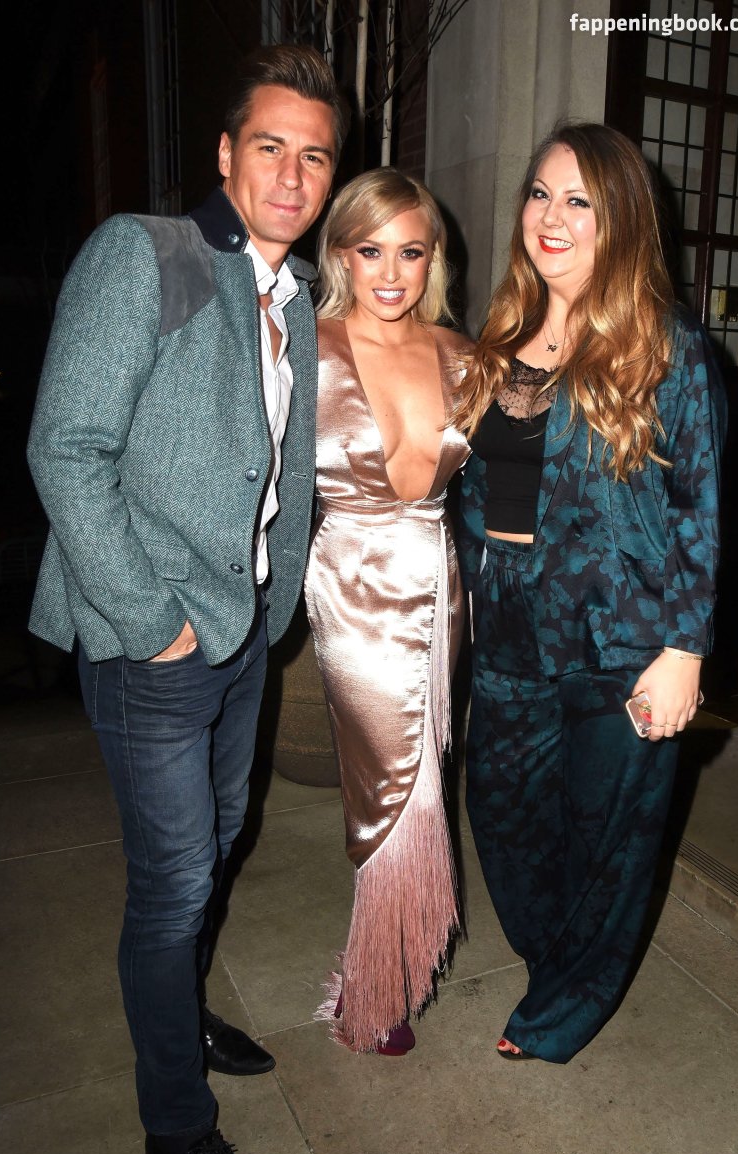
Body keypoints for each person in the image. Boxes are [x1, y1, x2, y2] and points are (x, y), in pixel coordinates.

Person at [26, 46, 347, 1154]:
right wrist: (152, 622)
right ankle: (177, 1128)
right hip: (152, 638)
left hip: (244, 631)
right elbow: (66, 449)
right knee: (171, 887)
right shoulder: (145, 255)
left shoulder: (295, 296)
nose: (292, 175)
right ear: (224, 153)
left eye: (314, 155)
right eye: (269, 146)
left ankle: (181, 1009)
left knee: (216, 845)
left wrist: (273, 604)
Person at [456, 123, 726, 1065]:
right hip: (508, 630)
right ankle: (557, 963)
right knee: (502, 816)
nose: (551, 215)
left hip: (623, 636)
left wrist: (684, 649)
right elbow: (472, 496)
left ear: (620, 221)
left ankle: (558, 1012)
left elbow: (698, 507)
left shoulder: (669, 348)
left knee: (610, 840)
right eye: (539, 193)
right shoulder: (498, 342)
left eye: (578, 200)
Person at [304, 169, 472, 1054]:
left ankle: (390, 971)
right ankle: (371, 991)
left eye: (410, 252)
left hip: (438, 586)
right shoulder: (303, 346)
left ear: (432, 259)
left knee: (428, 775)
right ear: (340, 255)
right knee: (388, 787)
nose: (391, 272)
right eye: (370, 250)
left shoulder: (461, 355)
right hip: (352, 586)